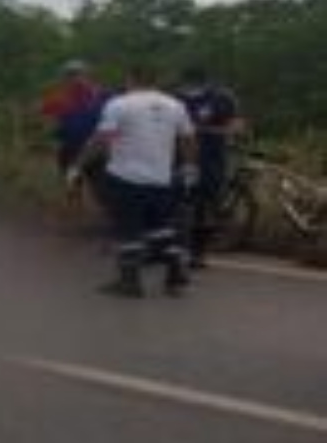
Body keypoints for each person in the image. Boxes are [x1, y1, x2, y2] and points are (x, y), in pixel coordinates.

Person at [68, 65, 198, 298]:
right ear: (155, 82)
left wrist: (78, 166)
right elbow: (188, 138)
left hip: (125, 177)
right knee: (162, 229)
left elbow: (100, 140)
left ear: (131, 80)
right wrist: (189, 167)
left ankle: (130, 282)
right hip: (161, 178)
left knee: (127, 230)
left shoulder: (119, 104)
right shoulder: (175, 105)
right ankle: (175, 274)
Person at [174, 66, 242, 268]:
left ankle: (199, 254)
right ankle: (176, 253)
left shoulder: (222, 98)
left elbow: (236, 127)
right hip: (180, 161)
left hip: (211, 160)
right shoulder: (175, 99)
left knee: (205, 208)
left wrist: (202, 129)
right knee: (179, 206)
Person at [40, 60, 110, 206]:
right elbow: (47, 121)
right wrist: (52, 140)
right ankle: (75, 211)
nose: (75, 78)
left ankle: (106, 213)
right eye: (70, 74)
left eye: (79, 74)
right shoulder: (57, 97)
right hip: (70, 149)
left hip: (96, 150)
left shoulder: (102, 94)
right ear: (64, 77)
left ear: (88, 74)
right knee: (71, 183)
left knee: (101, 186)